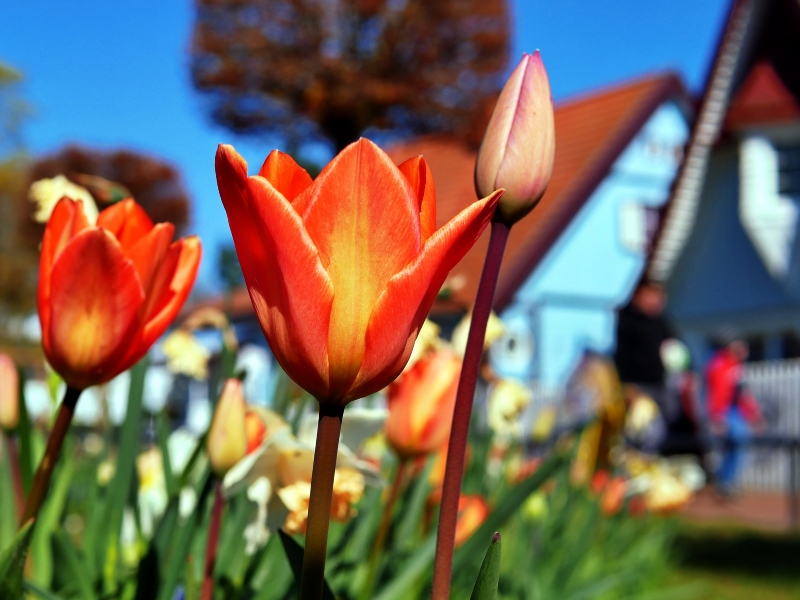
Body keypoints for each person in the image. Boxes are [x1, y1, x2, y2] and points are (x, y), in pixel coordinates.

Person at [705, 337, 764, 495]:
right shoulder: (720, 365)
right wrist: (717, 416)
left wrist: (754, 414)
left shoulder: (736, 366)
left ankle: (726, 481)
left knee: (737, 444)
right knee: (737, 441)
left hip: (735, 412)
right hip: (726, 411)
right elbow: (718, 393)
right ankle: (724, 482)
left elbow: (743, 394)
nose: (744, 348)